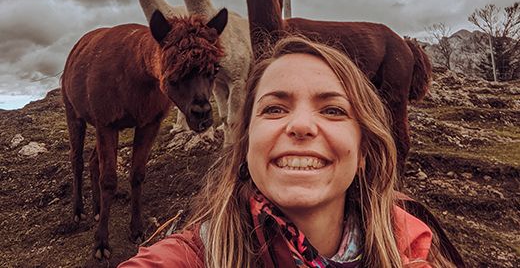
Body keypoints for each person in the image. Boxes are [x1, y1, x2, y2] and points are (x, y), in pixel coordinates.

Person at [119, 35, 456, 268]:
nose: (301, 126)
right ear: (246, 142)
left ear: (364, 149)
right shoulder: (190, 256)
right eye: (275, 109)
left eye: (333, 110)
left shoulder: (412, 242)